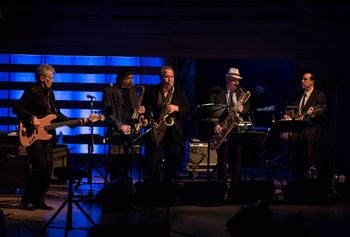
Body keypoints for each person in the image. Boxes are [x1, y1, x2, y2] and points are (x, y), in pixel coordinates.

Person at [12, 64, 87, 210]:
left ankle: (39, 200)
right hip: (34, 135)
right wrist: (32, 116)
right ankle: (26, 200)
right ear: (42, 78)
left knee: (48, 168)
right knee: (39, 167)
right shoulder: (32, 90)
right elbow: (17, 108)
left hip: (47, 136)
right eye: (50, 78)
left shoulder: (50, 94)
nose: (53, 81)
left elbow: (56, 114)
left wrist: (75, 122)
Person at [143, 65, 190, 183]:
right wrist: (151, 122)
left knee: (172, 163)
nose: (169, 79)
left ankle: (168, 189)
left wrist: (177, 108)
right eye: (166, 77)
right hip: (156, 130)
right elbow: (145, 109)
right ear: (161, 77)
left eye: (171, 76)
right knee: (153, 163)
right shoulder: (151, 91)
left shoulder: (179, 91)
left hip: (173, 131)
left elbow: (188, 108)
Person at [209, 67, 251, 191]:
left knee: (237, 161)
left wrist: (243, 109)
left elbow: (248, 106)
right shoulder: (217, 92)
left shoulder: (241, 92)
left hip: (237, 131)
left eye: (238, 81)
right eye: (234, 80)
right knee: (222, 161)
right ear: (228, 79)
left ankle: (235, 188)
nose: (237, 83)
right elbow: (211, 111)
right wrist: (215, 124)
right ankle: (220, 188)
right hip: (223, 130)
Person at [102, 67, 146, 181]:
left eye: (132, 78)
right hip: (116, 131)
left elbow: (136, 109)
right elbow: (107, 112)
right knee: (117, 164)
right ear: (121, 78)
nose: (131, 81)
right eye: (128, 78)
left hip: (131, 131)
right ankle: (114, 187)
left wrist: (141, 111)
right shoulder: (109, 90)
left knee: (127, 163)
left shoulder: (132, 90)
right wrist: (120, 125)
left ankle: (125, 187)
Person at [282, 72, 327, 181]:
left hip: (311, 128)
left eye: (305, 79)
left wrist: (313, 112)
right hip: (299, 130)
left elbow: (321, 109)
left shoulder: (319, 95)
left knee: (308, 152)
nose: (302, 81)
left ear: (312, 82)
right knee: (294, 150)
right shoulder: (299, 96)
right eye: (302, 79)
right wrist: (289, 117)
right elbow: (297, 112)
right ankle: (297, 177)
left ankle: (311, 174)